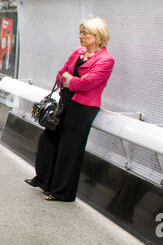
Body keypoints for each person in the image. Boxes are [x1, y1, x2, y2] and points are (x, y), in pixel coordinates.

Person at [27, 17, 114, 202]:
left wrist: (71, 80)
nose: (80, 36)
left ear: (98, 37)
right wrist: (69, 80)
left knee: (70, 149)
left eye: (85, 33)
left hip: (83, 109)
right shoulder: (78, 52)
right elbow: (61, 74)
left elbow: (88, 83)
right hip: (65, 102)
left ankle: (62, 192)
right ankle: (44, 180)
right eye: (80, 32)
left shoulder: (106, 60)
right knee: (49, 140)